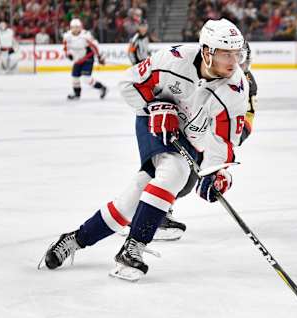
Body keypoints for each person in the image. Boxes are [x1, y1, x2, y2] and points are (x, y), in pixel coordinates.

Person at [40, 18, 249, 282]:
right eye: (225, 53)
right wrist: (155, 106)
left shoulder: (235, 89)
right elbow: (128, 84)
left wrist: (218, 172)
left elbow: (223, 140)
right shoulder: (173, 60)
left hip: (191, 140)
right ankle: (132, 249)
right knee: (174, 171)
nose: (234, 61)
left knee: (133, 198)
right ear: (207, 51)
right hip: (153, 121)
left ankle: (76, 239)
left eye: (236, 53)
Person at [153, 40, 258, 241]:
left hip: (207, 138)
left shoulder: (245, 84)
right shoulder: (203, 69)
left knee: (188, 180)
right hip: (183, 127)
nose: (236, 63)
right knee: (171, 172)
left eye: (240, 58)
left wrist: (219, 152)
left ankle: (155, 211)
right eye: (230, 56)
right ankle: (152, 213)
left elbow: (246, 120)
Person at [63, 18, 107, 100]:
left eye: (77, 27)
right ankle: (77, 94)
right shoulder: (67, 37)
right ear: (70, 28)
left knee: (86, 79)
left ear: (80, 27)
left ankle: (102, 87)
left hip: (87, 58)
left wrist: (99, 57)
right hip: (77, 59)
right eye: (73, 27)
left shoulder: (86, 36)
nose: (75, 29)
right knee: (75, 77)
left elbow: (95, 46)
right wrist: (68, 54)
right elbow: (66, 48)